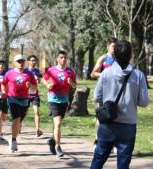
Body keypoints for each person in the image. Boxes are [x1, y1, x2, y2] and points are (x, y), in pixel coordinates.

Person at [90, 40, 149, 169]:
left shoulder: (106, 73)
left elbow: (97, 97)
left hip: (107, 123)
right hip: (128, 125)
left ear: (114, 54)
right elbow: (144, 102)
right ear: (130, 55)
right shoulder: (138, 75)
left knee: (99, 158)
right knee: (123, 163)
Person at [43, 51, 76, 157]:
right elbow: (44, 80)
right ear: (57, 59)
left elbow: (75, 86)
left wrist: (71, 83)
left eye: (65, 57)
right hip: (53, 99)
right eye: (61, 57)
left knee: (58, 123)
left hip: (64, 100)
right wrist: (48, 85)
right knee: (58, 124)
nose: (64, 59)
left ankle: (52, 140)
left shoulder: (70, 71)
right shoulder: (51, 70)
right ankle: (58, 146)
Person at [1, 54, 37, 153]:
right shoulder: (9, 73)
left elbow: (34, 88)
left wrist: (30, 86)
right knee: (16, 118)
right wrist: (4, 92)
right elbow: (3, 84)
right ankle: (13, 140)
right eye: (18, 61)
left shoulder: (29, 74)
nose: (21, 63)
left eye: (22, 61)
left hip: (25, 99)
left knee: (19, 120)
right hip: (12, 98)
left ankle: (13, 136)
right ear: (14, 63)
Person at [90, 37, 117, 151]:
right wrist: (105, 74)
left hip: (115, 92)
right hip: (102, 92)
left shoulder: (119, 60)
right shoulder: (103, 58)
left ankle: (113, 143)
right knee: (100, 118)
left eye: (116, 47)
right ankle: (97, 141)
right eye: (113, 46)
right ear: (108, 47)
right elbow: (93, 74)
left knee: (114, 117)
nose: (115, 49)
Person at [26, 55, 43, 137]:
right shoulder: (25, 71)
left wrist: (37, 79)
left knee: (36, 111)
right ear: (28, 61)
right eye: (32, 60)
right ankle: (19, 126)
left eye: (35, 60)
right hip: (26, 95)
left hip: (34, 94)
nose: (34, 62)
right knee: (24, 113)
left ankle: (37, 129)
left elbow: (39, 82)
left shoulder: (37, 71)